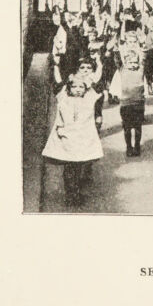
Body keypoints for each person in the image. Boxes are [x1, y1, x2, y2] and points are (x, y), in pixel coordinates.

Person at [42, 69, 103, 209]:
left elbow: (99, 88)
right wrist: (57, 67)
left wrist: (90, 79)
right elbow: (57, 86)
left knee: (78, 167)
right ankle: (70, 194)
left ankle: (75, 192)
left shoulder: (89, 98)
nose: (77, 90)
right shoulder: (63, 98)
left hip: (82, 139)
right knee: (69, 167)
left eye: (81, 87)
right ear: (69, 87)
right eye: (74, 87)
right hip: (67, 138)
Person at [116, 44, 145, 157]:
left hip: (138, 103)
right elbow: (117, 59)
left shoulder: (141, 69)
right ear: (125, 63)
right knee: (127, 128)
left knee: (138, 127)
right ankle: (129, 146)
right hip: (126, 104)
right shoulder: (122, 70)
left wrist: (142, 47)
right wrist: (115, 48)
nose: (133, 65)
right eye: (130, 63)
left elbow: (144, 57)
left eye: (135, 62)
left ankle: (137, 146)